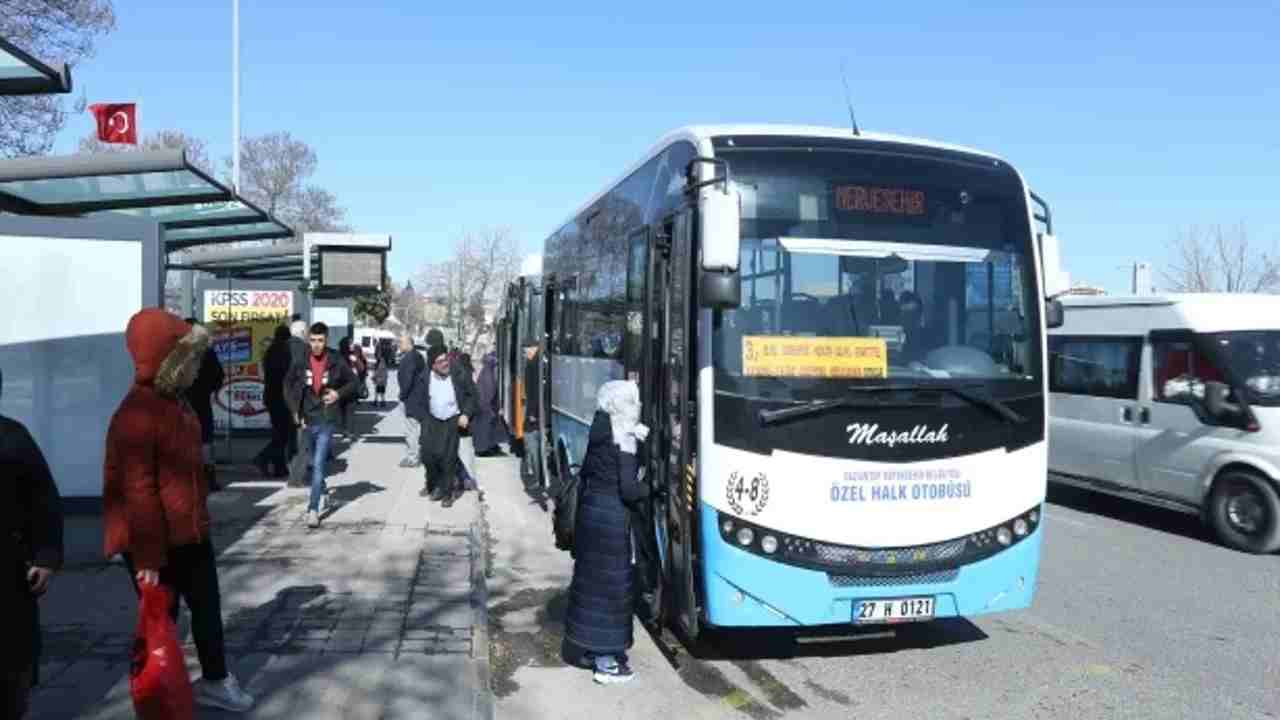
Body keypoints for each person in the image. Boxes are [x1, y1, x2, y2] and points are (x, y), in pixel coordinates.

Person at [103, 309, 254, 713]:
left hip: (189, 531)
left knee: (206, 609)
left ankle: (214, 681)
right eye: (189, 356)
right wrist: (147, 558)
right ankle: (160, 695)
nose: (196, 365)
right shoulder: (137, 413)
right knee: (162, 622)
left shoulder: (174, 401)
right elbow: (138, 491)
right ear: (169, 359)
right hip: (155, 543)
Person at [563, 380, 650, 685]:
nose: (637, 405)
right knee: (610, 590)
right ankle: (607, 663)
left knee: (591, 586)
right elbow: (628, 489)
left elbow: (591, 470)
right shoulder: (624, 438)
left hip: (591, 516)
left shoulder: (599, 429)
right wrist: (652, 488)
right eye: (634, 401)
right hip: (611, 523)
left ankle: (589, 649)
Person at [2, 367, 64, 720]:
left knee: (13, 666)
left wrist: (46, 557)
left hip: (8, 573)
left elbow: (43, 500)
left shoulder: (12, 437)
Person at [285, 323, 357, 529]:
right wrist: (295, 410)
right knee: (313, 462)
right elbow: (288, 384)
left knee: (317, 464)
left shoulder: (336, 359)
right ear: (308, 339)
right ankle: (322, 489)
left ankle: (313, 509)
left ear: (326, 340)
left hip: (326, 418)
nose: (316, 345)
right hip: (307, 419)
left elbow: (354, 382)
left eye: (320, 341)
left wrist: (337, 393)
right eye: (313, 340)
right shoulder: (301, 360)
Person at [420, 345, 479, 508]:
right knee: (428, 456)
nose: (445, 363)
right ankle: (435, 484)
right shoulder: (425, 376)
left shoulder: (459, 373)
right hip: (432, 420)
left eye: (446, 359)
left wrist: (466, 414)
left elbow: (473, 395)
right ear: (432, 365)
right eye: (440, 362)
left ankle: (447, 493)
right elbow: (419, 397)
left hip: (452, 419)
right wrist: (423, 418)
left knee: (448, 458)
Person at [184, 318, 225, 491]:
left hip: (183, 402)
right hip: (201, 401)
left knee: (184, 440)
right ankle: (209, 478)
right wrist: (209, 389)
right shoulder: (206, 351)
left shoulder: (178, 352)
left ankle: (187, 479)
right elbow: (219, 376)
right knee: (205, 439)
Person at [254, 325, 294, 478]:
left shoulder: (271, 351)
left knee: (279, 432)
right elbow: (284, 376)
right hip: (280, 398)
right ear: (286, 338)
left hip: (272, 396)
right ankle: (263, 457)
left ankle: (279, 466)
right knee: (283, 433)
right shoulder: (282, 352)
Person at [285, 320, 311, 488]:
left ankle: (290, 471)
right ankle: (296, 478)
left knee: (289, 439)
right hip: (300, 402)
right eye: (307, 332)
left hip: (280, 400)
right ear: (303, 333)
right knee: (303, 441)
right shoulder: (305, 350)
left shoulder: (278, 347)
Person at [396, 332, 427, 468]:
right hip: (417, 398)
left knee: (411, 430)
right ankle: (415, 455)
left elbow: (408, 379)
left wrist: (402, 395)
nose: (399, 345)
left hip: (411, 399)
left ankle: (412, 458)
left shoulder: (410, 358)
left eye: (401, 342)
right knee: (415, 428)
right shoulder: (417, 356)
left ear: (409, 344)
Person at [473, 351, 510, 457]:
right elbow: (489, 392)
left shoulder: (486, 372)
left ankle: (489, 448)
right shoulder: (488, 374)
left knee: (489, 430)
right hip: (486, 408)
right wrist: (490, 408)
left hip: (486, 408)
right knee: (486, 430)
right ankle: (484, 450)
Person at [522, 340, 545, 494]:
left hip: (534, 413)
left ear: (533, 348)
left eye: (526, 351)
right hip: (536, 411)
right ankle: (538, 476)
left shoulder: (533, 364)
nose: (525, 354)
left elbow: (534, 392)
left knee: (532, 442)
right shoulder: (539, 361)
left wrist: (532, 414)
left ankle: (538, 477)